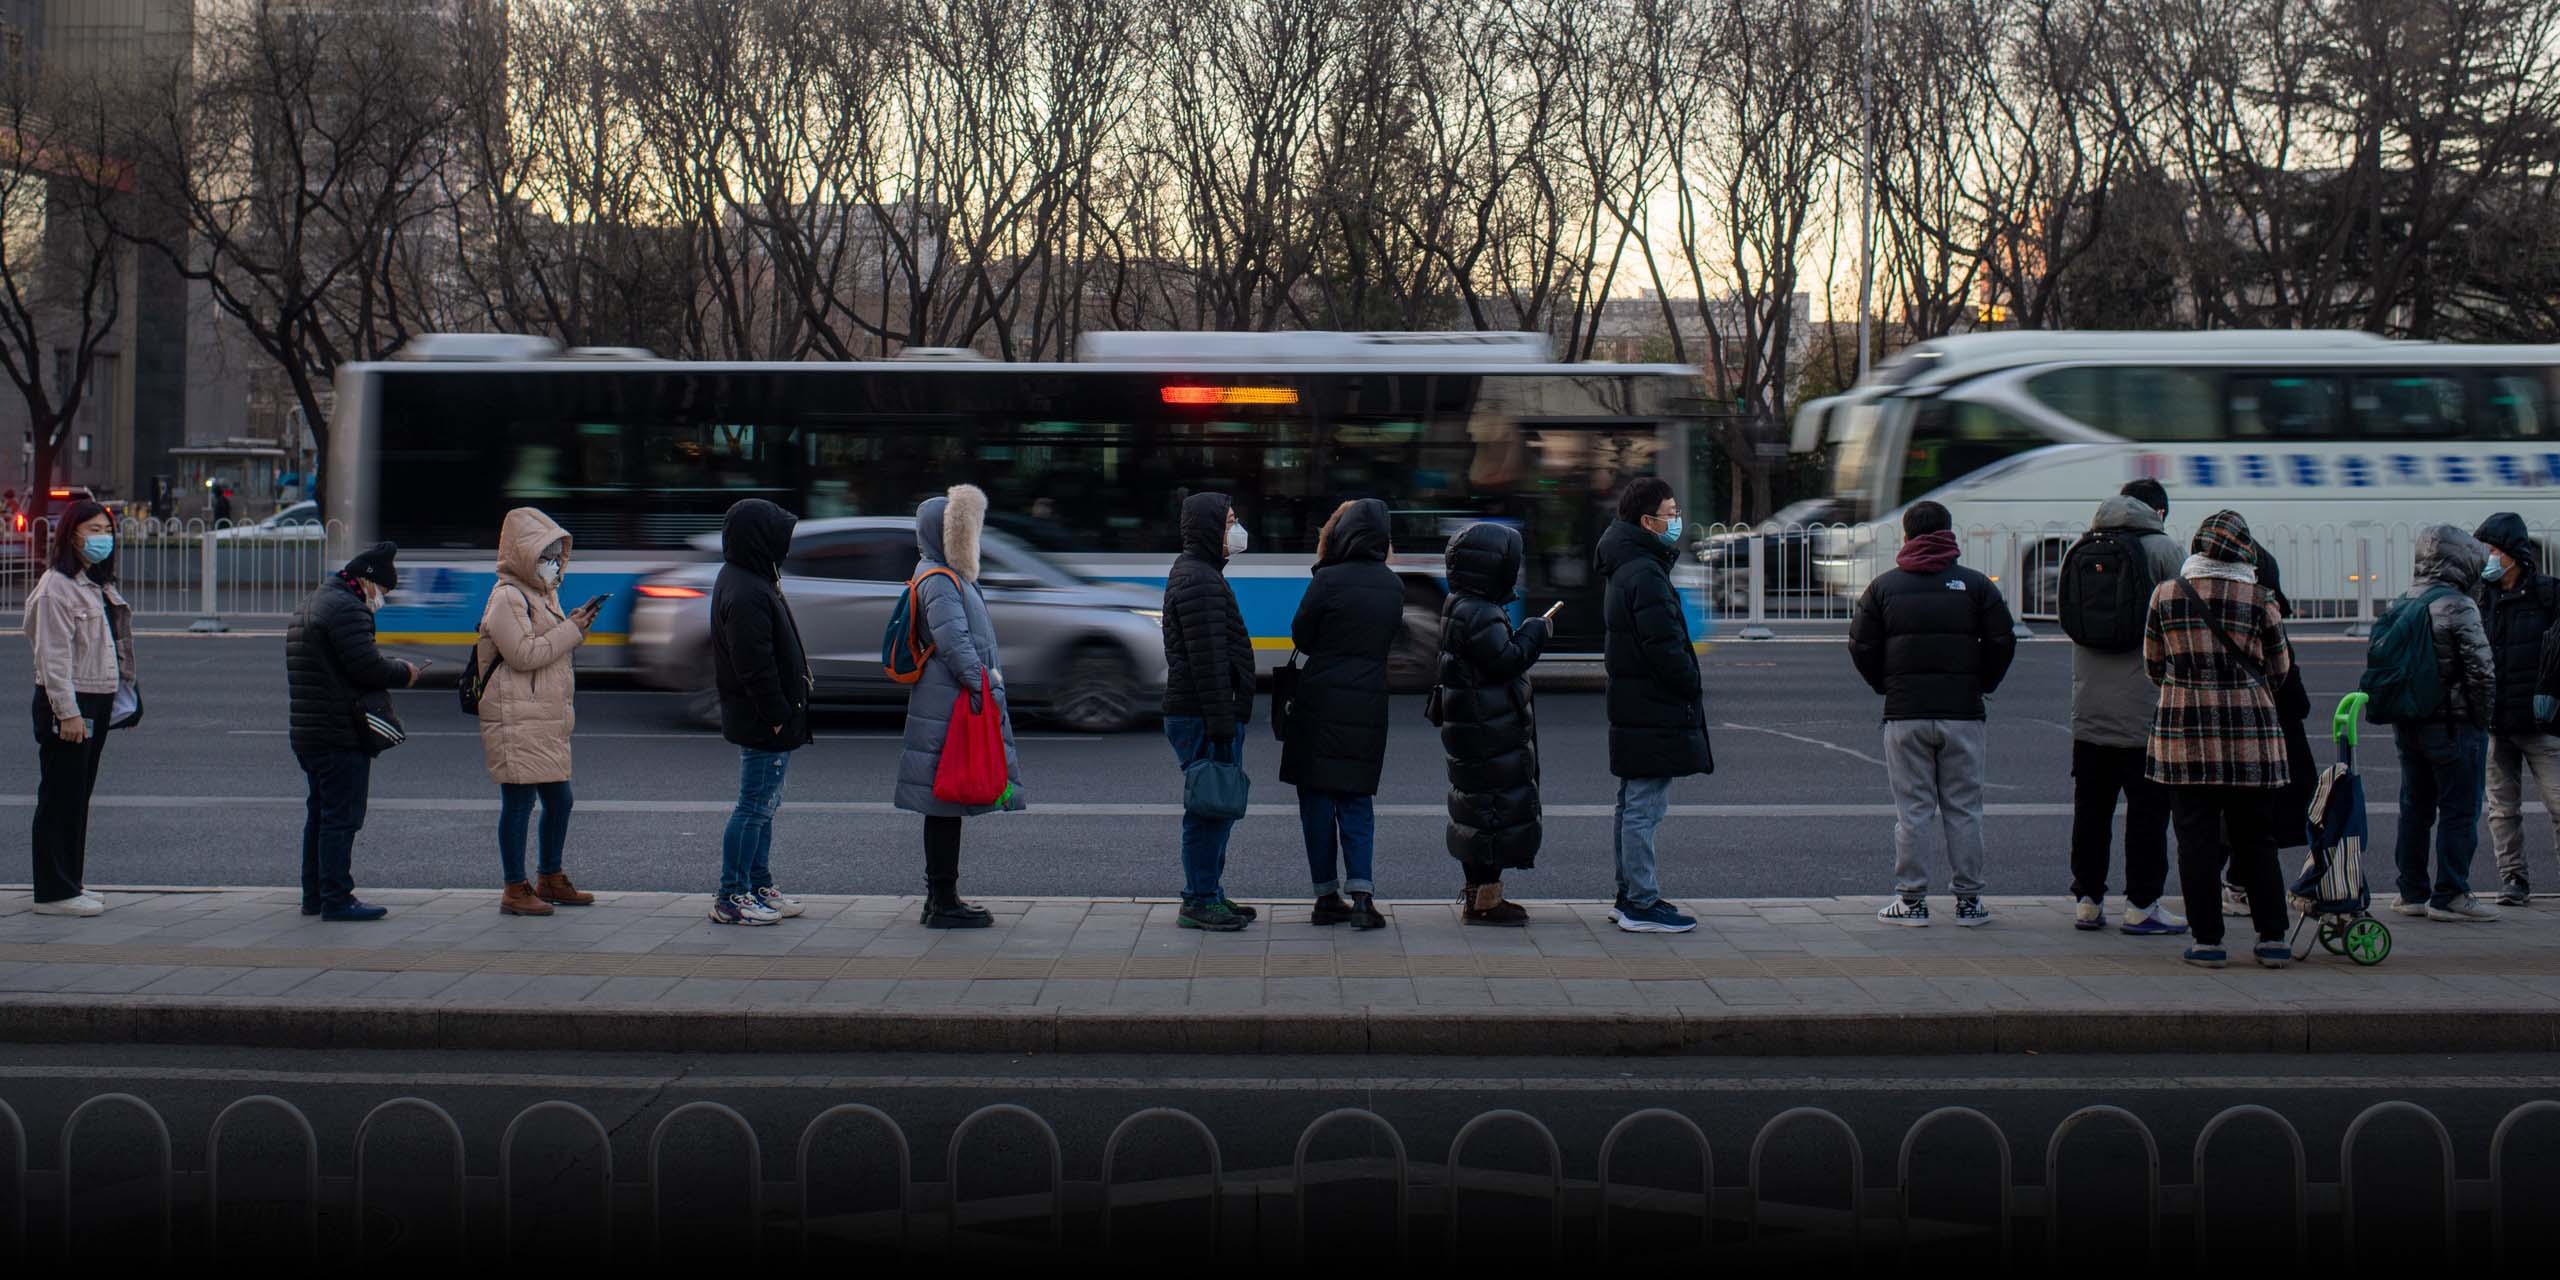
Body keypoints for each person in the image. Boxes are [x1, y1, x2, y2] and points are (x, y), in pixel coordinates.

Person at [1849, 500, 2019, 928]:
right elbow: (2002, 640)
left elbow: (1861, 646)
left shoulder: (1883, 587)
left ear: (1906, 537)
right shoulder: (1976, 585)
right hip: (1963, 713)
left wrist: (1886, 686)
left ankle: (1912, 902)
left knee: (1914, 811)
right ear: (1949, 535)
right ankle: (1969, 903)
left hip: (1905, 713)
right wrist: (1983, 683)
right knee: (1963, 809)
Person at [2144, 511, 2294, 969]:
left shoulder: (2168, 595)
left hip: (2185, 731)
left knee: (2195, 839)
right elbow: (2280, 669)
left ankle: (2208, 940)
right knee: (2256, 838)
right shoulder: (2260, 598)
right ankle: (2272, 937)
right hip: (2250, 733)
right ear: (2243, 551)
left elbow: (2152, 664)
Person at [893, 485, 1026, 928]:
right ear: (944, 533)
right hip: (949, 705)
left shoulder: (945, 576)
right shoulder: (940, 581)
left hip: (946, 702)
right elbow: (953, 642)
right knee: (945, 801)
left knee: (944, 804)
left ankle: (940, 898)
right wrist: (983, 682)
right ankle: (943, 901)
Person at [2064, 485, 2187, 935]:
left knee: (2091, 810)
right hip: (2147, 712)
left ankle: (2088, 900)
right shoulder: (2164, 551)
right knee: (2149, 814)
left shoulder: (2081, 547)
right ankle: (2142, 904)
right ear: (2158, 511)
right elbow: (2183, 618)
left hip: (2089, 710)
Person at [1281, 498, 1401, 929]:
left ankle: (1326, 897)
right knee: (1356, 800)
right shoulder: (1393, 585)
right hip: (1368, 702)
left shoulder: (1327, 580)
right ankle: (1364, 899)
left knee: (1316, 800)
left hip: (1319, 702)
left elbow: (1303, 636)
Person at [1596, 476, 1708, 934]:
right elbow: (1664, 646)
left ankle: (1629, 896)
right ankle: (1640, 901)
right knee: (1643, 807)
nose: (1677, 520)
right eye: (1671, 512)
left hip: (1635, 703)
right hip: (1652, 705)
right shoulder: (1645, 571)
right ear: (1647, 521)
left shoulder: (1629, 564)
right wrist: (1689, 685)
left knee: (1632, 804)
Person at [476, 508, 600, 917]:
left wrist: (574, 626)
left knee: (559, 800)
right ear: (522, 555)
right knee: (517, 803)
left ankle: (550, 876)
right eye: (544, 555)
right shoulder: (507, 597)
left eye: (556, 555)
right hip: (516, 716)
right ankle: (514, 887)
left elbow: (549, 645)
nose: (552, 563)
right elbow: (524, 654)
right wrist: (571, 632)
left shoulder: (544, 595)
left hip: (542, 717)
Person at [286, 542, 418, 922]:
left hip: (310, 732)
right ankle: (337, 898)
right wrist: (403, 671)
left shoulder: (315, 601)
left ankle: (315, 896)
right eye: (384, 592)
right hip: (338, 733)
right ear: (368, 582)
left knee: (321, 816)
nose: (382, 600)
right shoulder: (348, 609)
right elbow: (367, 667)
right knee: (341, 818)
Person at [22, 500, 136, 916]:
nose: (103, 536)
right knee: (60, 796)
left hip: (94, 700)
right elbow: (52, 658)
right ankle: (53, 892)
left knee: (77, 796)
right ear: (71, 534)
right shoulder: (57, 587)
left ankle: (70, 882)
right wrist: (66, 712)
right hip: (69, 702)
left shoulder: (91, 582)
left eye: (107, 528)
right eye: (93, 528)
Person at [2383, 525, 2500, 922]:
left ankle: (2411, 892)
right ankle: (2451, 894)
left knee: (2414, 807)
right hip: (2454, 725)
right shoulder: (2458, 605)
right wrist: (2483, 721)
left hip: (2410, 722)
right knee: (2458, 809)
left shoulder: (2401, 601)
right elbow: (2481, 671)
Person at [1438, 521, 1553, 925]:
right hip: (1490, 730)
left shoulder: (1459, 604)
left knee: (1476, 812)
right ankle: (1485, 902)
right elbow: (1506, 660)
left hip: (1472, 729)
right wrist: (1536, 632)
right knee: (1492, 815)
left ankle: (1478, 896)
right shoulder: (1483, 613)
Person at [708, 498, 815, 926]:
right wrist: (775, 713)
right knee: (753, 806)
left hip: (771, 715)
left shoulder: (751, 576)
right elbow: (754, 663)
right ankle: (730, 896)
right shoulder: (747, 588)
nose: (784, 545)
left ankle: (757, 884)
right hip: (763, 718)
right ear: (759, 538)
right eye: (778, 536)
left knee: (764, 806)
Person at [1162, 491, 1257, 931]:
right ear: (1208, 527)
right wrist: (1222, 725)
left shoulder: (1200, 573)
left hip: (1206, 711)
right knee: (1208, 809)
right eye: (1229, 521)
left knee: (1215, 808)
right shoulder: (1198, 579)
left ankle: (1210, 891)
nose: (1236, 530)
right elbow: (1209, 662)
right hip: (1204, 713)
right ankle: (1199, 899)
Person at [2471, 512, 2560, 906]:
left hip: (2540, 722)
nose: (2488, 557)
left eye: (2494, 550)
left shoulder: (2548, 594)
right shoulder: (2479, 598)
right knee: (2501, 811)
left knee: (2558, 803)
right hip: (2494, 721)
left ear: (2513, 554)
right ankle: (2513, 880)